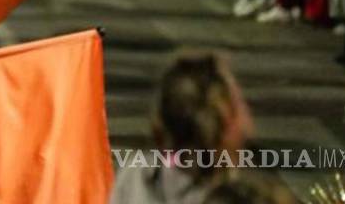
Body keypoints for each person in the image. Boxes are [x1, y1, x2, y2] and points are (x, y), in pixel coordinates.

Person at [109, 52, 254, 204]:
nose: (248, 123)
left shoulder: (136, 175)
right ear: (225, 123)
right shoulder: (239, 196)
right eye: (239, 104)